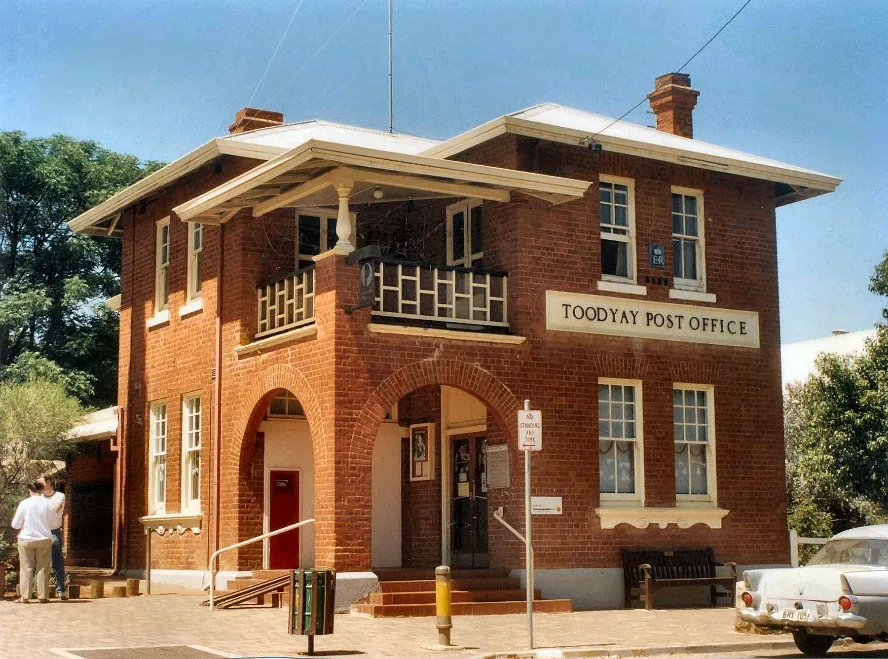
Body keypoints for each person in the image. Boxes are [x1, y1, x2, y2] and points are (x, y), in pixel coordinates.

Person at [10, 481, 55, 603]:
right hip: (44, 538)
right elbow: (52, 523)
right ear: (41, 491)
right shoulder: (48, 504)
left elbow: (15, 524)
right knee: (43, 568)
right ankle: (43, 596)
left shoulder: (24, 503)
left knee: (26, 567)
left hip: (26, 538)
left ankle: (25, 596)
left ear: (30, 490)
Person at [39, 475, 67, 600]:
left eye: (41, 483)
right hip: (41, 531)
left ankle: (61, 590)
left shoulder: (60, 496)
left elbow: (56, 509)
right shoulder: (39, 498)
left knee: (57, 561)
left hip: (54, 531)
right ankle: (39, 590)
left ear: (49, 482)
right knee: (40, 562)